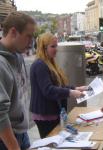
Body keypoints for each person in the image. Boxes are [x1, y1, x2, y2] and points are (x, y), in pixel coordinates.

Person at [30, 32, 86, 138]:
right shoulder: (40, 65)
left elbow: (58, 85)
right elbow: (48, 90)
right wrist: (71, 92)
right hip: (45, 114)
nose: (56, 49)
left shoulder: (49, 63)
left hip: (51, 112)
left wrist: (76, 88)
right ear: (43, 48)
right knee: (51, 142)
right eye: (53, 46)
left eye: (56, 46)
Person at [0, 12, 36, 150]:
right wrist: (14, 146)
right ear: (13, 32)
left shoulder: (18, 56)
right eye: (28, 36)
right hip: (6, 140)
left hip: (21, 133)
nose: (31, 42)